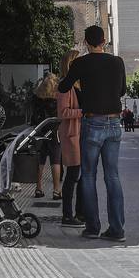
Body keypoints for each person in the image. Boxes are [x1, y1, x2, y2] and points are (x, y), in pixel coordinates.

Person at [57, 25, 127, 242]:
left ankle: (92, 227)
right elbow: (122, 91)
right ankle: (117, 229)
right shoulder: (117, 62)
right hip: (115, 123)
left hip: (92, 122)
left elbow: (63, 87)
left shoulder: (80, 63)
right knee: (112, 175)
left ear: (86, 43)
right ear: (103, 41)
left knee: (88, 175)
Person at [56, 48, 85, 227]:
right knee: (72, 175)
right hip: (72, 136)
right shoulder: (65, 86)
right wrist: (83, 112)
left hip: (82, 135)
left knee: (82, 176)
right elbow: (63, 112)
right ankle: (68, 215)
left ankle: (80, 213)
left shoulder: (78, 85)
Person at [31, 73, 61, 200]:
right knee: (55, 161)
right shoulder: (57, 97)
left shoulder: (37, 97)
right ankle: (56, 190)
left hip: (39, 131)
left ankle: (38, 189)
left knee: (40, 160)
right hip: (54, 132)